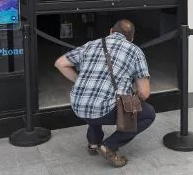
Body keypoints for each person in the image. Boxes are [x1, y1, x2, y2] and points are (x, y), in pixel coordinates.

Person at [55, 19, 154, 168]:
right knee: (148, 113)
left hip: (77, 106)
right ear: (132, 38)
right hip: (103, 108)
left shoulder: (90, 44)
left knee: (97, 99)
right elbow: (144, 93)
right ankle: (109, 145)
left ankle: (94, 142)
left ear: (111, 31)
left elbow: (60, 63)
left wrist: (79, 81)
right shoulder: (134, 50)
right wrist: (129, 103)